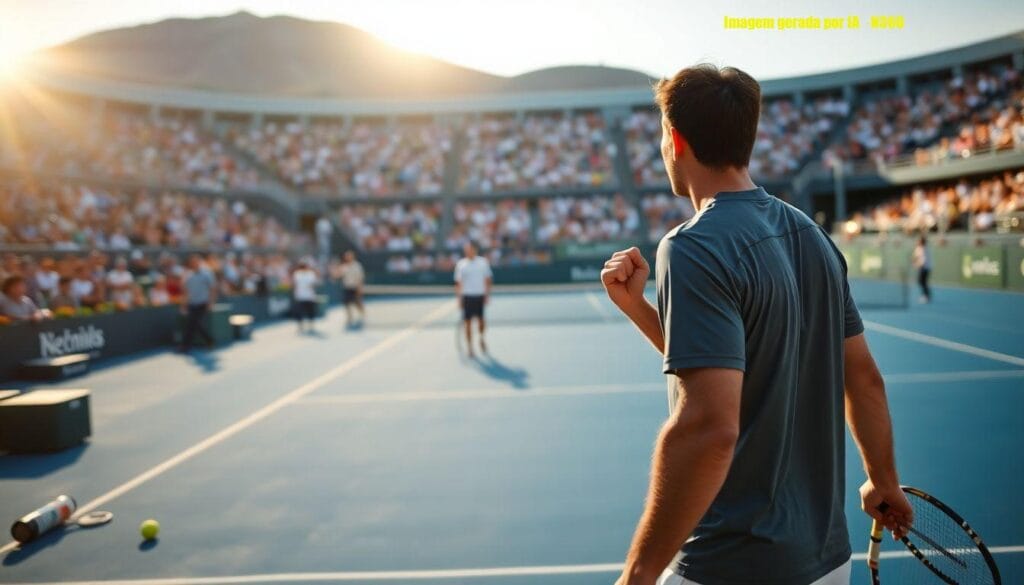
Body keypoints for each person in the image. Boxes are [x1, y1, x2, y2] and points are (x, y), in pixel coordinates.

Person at [600, 64, 912, 585]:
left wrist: (639, 574)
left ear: (675, 140)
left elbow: (710, 426)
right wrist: (884, 481)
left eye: (660, 136)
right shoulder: (811, 234)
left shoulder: (693, 245)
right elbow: (862, 378)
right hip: (828, 562)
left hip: (731, 563)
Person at [454, 241, 492, 358]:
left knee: (481, 322)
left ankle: (481, 338)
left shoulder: (483, 263)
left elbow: (487, 279)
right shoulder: (461, 264)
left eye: (470, 249)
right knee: (468, 323)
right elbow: (458, 283)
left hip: (479, 296)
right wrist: (459, 299)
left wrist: (487, 295)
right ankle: (470, 347)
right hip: (467, 297)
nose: (468, 251)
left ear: (475, 250)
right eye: (466, 249)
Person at [179, 255, 216, 352]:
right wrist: (183, 305)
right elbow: (186, 292)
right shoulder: (188, 275)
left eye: (196, 261)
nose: (194, 263)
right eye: (192, 262)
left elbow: (212, 289)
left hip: (203, 303)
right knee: (192, 324)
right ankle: (208, 341)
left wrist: (211, 302)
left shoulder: (207, 274)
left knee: (194, 323)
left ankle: (185, 346)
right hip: (192, 304)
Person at [337, 251, 365, 327]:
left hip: (355, 287)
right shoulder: (343, 266)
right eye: (346, 256)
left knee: (357, 303)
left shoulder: (357, 266)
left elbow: (360, 277)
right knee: (346, 303)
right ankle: (349, 318)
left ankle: (362, 314)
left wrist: (360, 288)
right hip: (347, 287)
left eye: (349, 256)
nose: (348, 258)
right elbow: (337, 275)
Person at [292, 259, 320, 333]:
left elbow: (313, 284)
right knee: (301, 312)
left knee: (310, 311)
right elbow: (295, 285)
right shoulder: (297, 274)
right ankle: (302, 326)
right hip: (301, 296)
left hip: (309, 296)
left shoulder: (310, 273)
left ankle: (309, 326)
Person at [913, 235, 932, 303]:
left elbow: (924, 260)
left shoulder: (925, 249)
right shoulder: (918, 248)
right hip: (921, 268)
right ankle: (925, 295)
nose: (918, 242)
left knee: (923, 282)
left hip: (925, 268)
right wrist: (915, 262)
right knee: (921, 282)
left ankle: (926, 296)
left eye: (919, 241)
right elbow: (915, 257)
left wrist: (919, 265)